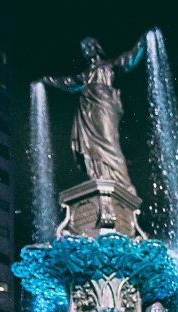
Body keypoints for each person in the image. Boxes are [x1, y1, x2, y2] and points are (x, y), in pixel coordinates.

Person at [40, 35, 149, 193]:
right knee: (89, 145)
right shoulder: (85, 74)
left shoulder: (109, 65)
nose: (86, 51)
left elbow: (129, 59)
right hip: (86, 110)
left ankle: (121, 181)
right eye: (84, 49)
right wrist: (46, 80)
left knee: (109, 140)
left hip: (104, 106)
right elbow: (68, 82)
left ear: (97, 47)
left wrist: (143, 41)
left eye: (89, 46)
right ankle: (97, 175)